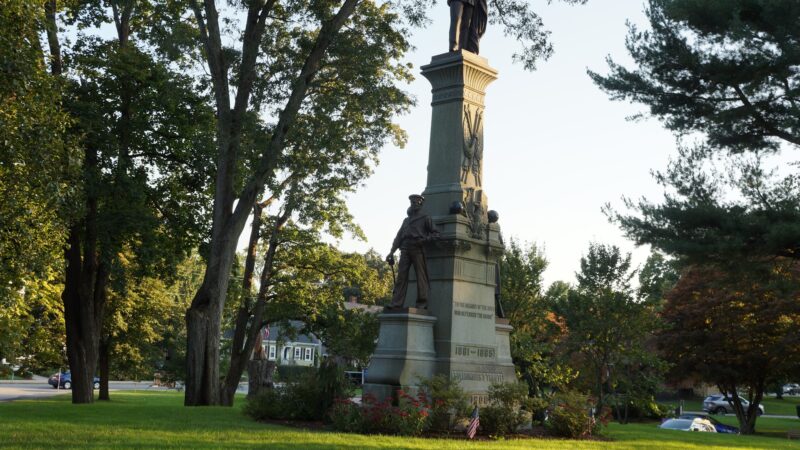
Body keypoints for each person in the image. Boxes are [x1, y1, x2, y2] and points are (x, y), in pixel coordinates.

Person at [386, 194, 439, 309]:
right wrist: (391, 252)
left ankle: (421, 303)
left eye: (416, 203)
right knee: (401, 277)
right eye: (412, 203)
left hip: (417, 249)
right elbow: (398, 237)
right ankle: (396, 303)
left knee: (421, 276)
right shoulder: (406, 220)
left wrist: (424, 240)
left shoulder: (425, 218)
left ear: (420, 204)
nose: (413, 205)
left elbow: (436, 234)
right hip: (405, 249)